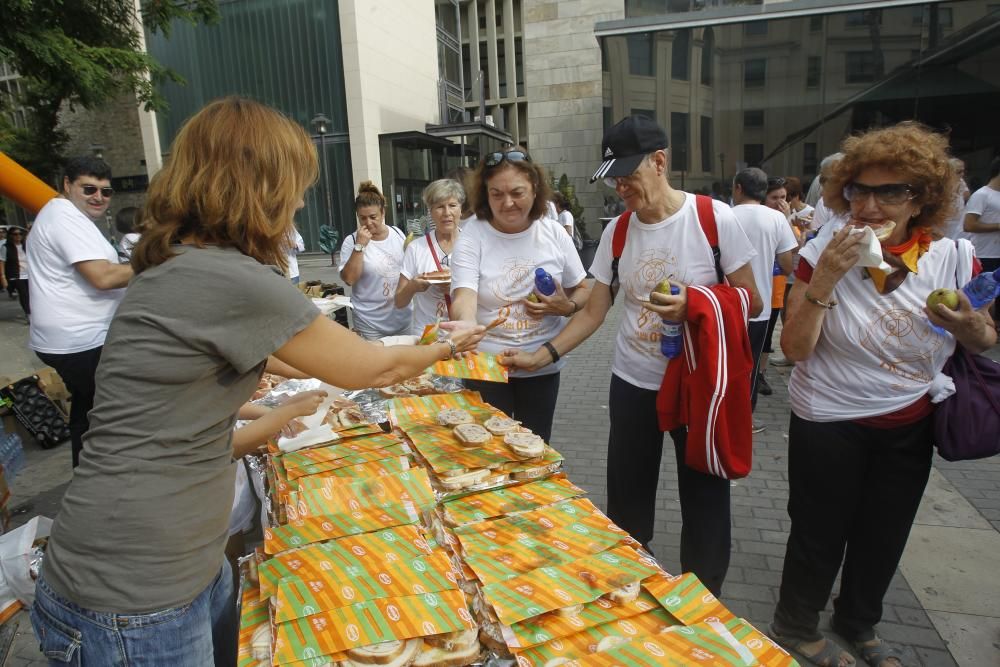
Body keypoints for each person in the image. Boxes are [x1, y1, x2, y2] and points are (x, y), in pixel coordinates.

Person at [30, 97, 484, 667]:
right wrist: (448, 344)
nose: (298, 200)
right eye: (294, 183)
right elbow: (375, 368)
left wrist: (273, 422)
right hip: (135, 591)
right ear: (258, 185)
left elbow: (180, 432)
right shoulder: (227, 277)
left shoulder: (176, 263)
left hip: (154, 566)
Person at [501, 116, 761, 595]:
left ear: (660, 161)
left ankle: (703, 603)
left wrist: (696, 305)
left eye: (628, 174)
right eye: (614, 177)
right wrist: (544, 354)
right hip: (633, 382)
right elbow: (595, 309)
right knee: (627, 498)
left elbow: (753, 299)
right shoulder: (618, 231)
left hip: (695, 385)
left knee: (703, 497)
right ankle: (631, 591)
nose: (621, 186)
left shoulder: (713, 219)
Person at [769, 122, 997, 667]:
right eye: (859, 190)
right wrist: (825, 276)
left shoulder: (952, 257)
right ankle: (796, 625)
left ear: (921, 198)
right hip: (828, 417)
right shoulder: (824, 247)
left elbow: (987, 339)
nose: (870, 205)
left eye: (890, 191)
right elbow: (795, 348)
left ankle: (858, 621)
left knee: (884, 532)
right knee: (819, 531)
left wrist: (967, 326)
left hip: (911, 419)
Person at [450, 147, 589, 443]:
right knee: (485, 447)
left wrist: (567, 306)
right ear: (484, 194)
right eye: (496, 194)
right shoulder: (473, 234)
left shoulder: (553, 232)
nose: (508, 203)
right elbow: (464, 295)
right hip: (486, 367)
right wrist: (465, 325)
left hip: (541, 363)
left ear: (535, 189)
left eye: (517, 192)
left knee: (535, 446)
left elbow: (584, 289)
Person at [27, 156, 132, 468]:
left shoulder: (72, 219)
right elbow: (102, 277)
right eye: (89, 189)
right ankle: (100, 485)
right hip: (80, 341)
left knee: (90, 413)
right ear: (67, 185)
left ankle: (89, 480)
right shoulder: (63, 218)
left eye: (105, 191)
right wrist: (161, 259)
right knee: (111, 418)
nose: (98, 197)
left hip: (78, 336)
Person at [729, 169, 796, 427]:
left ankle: (719, 415)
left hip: (728, 305)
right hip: (761, 307)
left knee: (724, 361)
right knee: (751, 364)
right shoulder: (776, 219)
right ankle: (744, 420)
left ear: (738, 188)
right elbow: (788, 265)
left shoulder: (723, 214)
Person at [339, 181, 411, 340]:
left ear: (383, 213)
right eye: (363, 218)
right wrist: (360, 246)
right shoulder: (351, 241)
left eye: (373, 217)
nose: (368, 223)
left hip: (404, 318)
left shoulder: (397, 233)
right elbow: (349, 279)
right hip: (369, 322)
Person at [395, 179, 464, 336]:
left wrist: (457, 289)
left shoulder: (474, 245)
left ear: (461, 209)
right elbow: (399, 302)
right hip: (426, 335)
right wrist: (413, 286)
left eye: (452, 205)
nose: (447, 213)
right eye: (440, 207)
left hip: (462, 334)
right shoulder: (416, 248)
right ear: (431, 212)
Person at [963, 156, 1000, 316]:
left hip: (997, 253)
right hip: (984, 254)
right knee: (985, 296)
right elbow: (969, 225)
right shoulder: (982, 195)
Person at [0, 226, 30, 319]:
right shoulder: (6, 248)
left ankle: (34, 311)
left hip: (29, 274)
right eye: (15, 234)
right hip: (16, 275)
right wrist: (3, 277)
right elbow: (2, 262)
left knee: (32, 294)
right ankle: (28, 314)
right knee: (24, 294)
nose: (18, 236)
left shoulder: (26, 245)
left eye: (20, 234)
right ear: (11, 236)